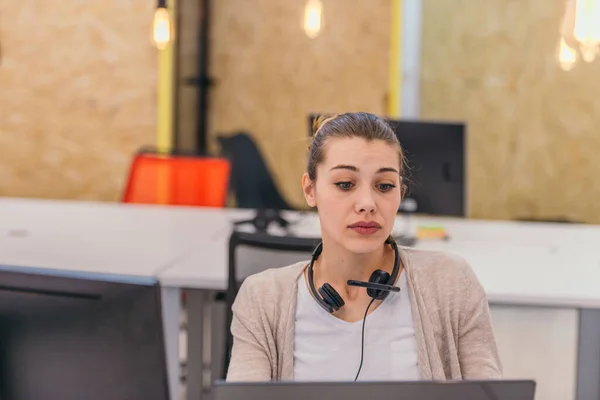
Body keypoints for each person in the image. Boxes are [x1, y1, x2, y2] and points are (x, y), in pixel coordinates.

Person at [226, 112, 502, 382]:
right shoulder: (262, 300)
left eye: (384, 186)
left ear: (401, 194)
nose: (367, 203)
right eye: (345, 184)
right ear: (310, 190)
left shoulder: (451, 284)